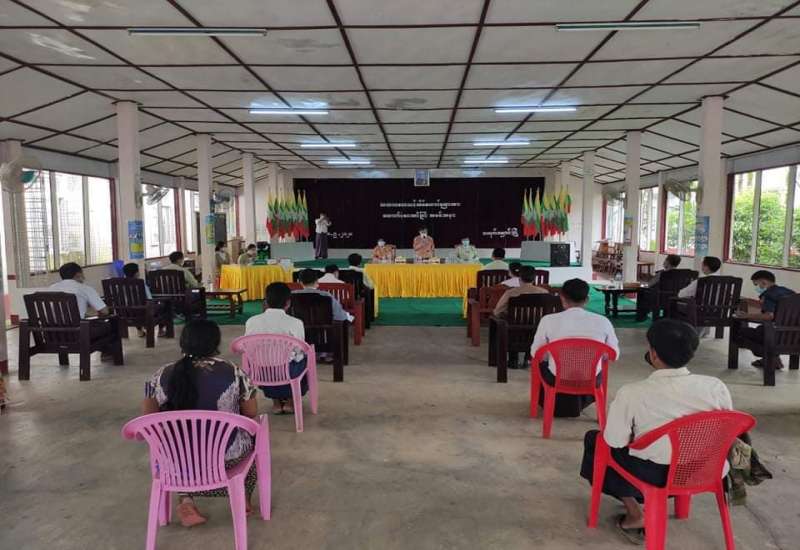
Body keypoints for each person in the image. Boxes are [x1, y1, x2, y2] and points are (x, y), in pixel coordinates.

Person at [580, 319, 732, 545]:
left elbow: (614, 440)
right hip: (704, 468)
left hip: (655, 473)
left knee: (596, 441)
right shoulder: (716, 386)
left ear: (653, 354)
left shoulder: (633, 393)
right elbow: (723, 426)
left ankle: (635, 513)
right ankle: (677, 505)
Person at [142, 319, 258, 528]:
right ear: (216, 343)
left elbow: (148, 419)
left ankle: (186, 499)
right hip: (225, 458)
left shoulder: (160, 375)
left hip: (175, 461)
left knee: (182, 450)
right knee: (255, 439)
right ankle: (242, 498)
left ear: (183, 343)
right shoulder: (234, 372)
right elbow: (251, 412)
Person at [530, 278, 619, 417]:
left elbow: (536, 353)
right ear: (587, 299)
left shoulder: (548, 320)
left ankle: (549, 401)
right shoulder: (603, 322)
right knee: (599, 367)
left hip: (556, 378)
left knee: (541, 364)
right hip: (591, 379)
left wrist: (552, 355)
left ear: (562, 298)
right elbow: (613, 354)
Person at [245, 282, 308, 415]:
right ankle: (290, 401)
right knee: (303, 359)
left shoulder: (252, 321)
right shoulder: (295, 322)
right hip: (288, 372)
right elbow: (299, 350)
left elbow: (247, 346)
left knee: (267, 362)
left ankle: (276, 402)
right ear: (288, 303)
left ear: (265, 302)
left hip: (260, 372)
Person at [735, 270, 796, 370]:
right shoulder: (788, 292)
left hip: (775, 335)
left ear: (764, 282)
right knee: (760, 329)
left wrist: (746, 315)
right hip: (794, 336)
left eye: (756, 284)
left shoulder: (769, 294)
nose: (757, 288)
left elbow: (769, 316)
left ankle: (770, 358)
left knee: (740, 333)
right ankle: (773, 359)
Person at [635, 254, 682, 321]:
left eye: (665, 259)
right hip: (675, 298)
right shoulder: (681, 274)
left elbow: (649, 285)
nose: (664, 261)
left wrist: (642, 284)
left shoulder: (662, 273)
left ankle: (641, 317)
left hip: (660, 299)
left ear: (668, 262)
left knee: (642, 292)